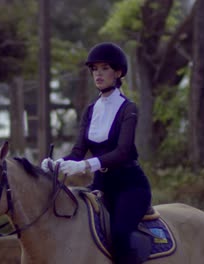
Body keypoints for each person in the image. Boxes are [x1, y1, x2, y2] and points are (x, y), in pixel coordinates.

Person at [41, 42, 151, 264]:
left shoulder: (129, 108)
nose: (98, 74)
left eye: (104, 68)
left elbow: (123, 151)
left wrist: (84, 166)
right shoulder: (90, 110)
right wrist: (57, 163)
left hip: (130, 186)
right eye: (94, 69)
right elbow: (78, 152)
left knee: (119, 235)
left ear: (118, 72)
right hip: (101, 186)